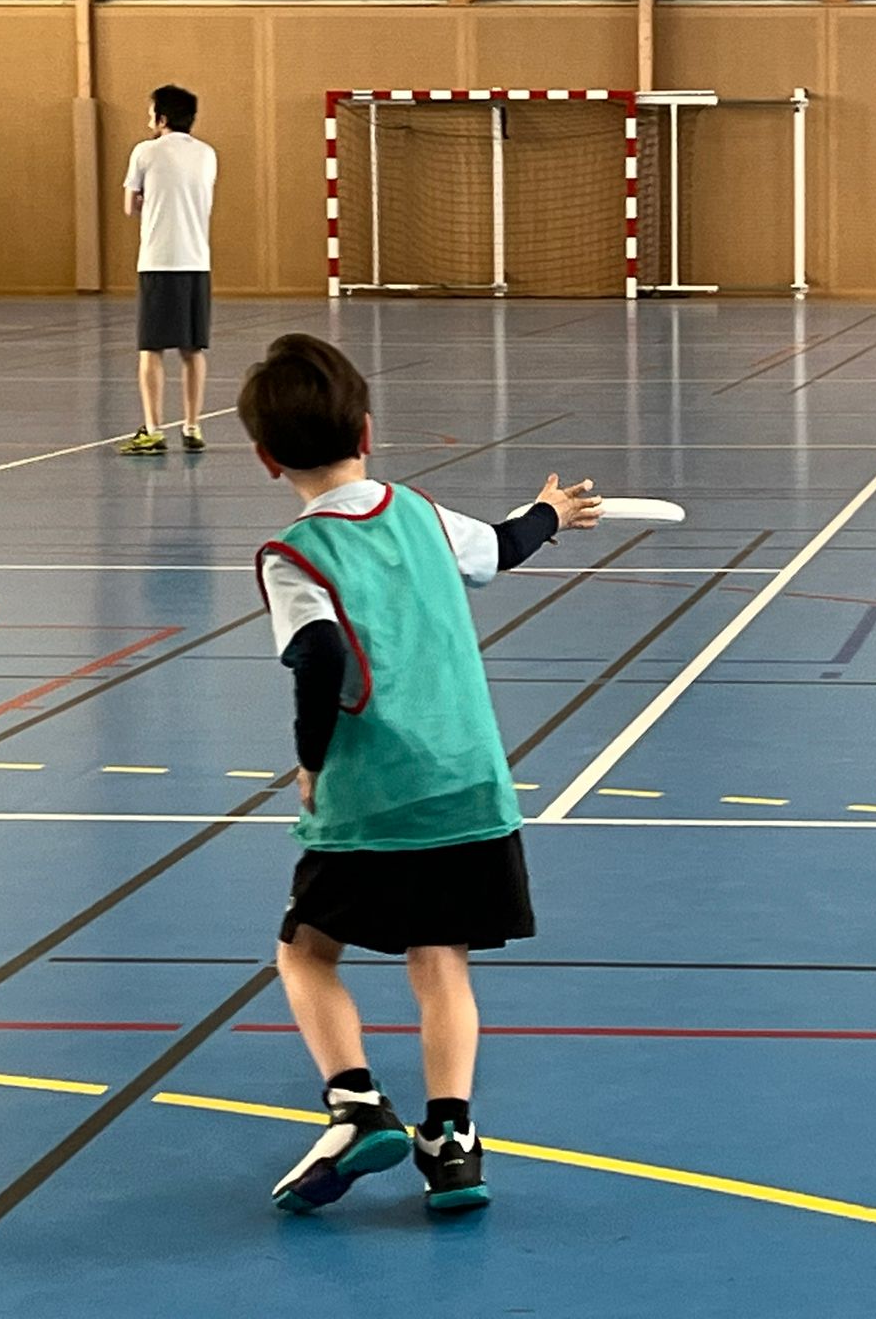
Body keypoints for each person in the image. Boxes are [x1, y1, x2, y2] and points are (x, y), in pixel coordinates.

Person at [240, 333, 603, 1213]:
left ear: (264, 457)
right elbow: (505, 547)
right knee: (440, 958)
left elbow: (320, 656)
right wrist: (551, 509)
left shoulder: (292, 555)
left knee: (306, 953)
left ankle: (357, 1103)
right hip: (470, 784)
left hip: (371, 798)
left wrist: (312, 762)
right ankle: (450, 1138)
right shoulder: (421, 512)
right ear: (368, 429)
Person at [120, 85, 217, 455]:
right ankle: (193, 427)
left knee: (152, 350)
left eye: (151, 112)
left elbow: (130, 205)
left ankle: (154, 429)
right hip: (197, 261)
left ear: (162, 118)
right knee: (194, 351)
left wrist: (148, 200)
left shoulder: (144, 152)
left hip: (158, 262)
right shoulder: (208, 154)